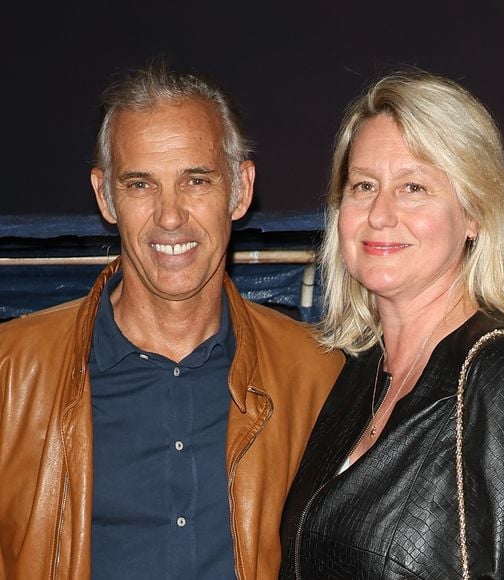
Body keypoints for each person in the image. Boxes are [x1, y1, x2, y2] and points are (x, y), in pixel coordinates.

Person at [0, 62, 344, 580]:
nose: (169, 216)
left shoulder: (318, 377)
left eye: (196, 181)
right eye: (140, 184)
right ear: (104, 196)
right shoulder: (11, 374)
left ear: (240, 188)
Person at [279, 71, 504, 579]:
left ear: (474, 214)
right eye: (363, 186)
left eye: (413, 187)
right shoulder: (363, 374)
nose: (380, 213)